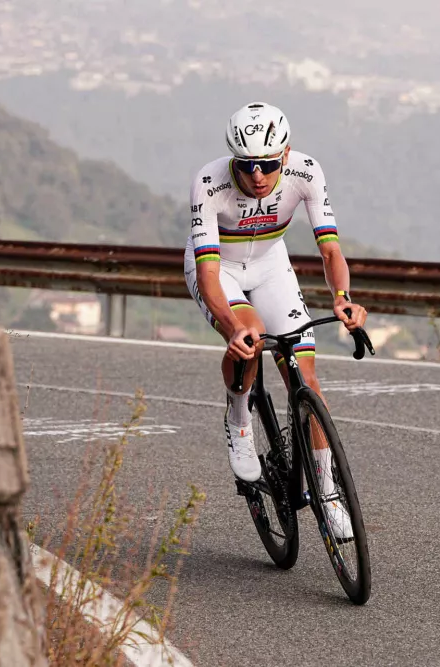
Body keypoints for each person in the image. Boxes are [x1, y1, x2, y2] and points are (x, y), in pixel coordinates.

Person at [183, 101, 367, 539]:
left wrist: (343, 298)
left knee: (307, 378)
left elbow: (330, 250)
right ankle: (238, 417)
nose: (258, 175)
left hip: (270, 264)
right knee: (251, 334)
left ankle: (328, 494)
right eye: (246, 165)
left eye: (267, 164)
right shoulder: (209, 182)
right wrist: (232, 328)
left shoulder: (306, 172)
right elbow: (208, 275)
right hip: (219, 268)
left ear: (285, 154)